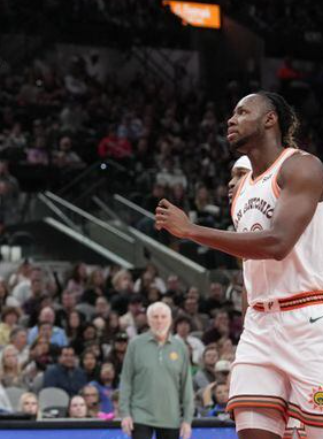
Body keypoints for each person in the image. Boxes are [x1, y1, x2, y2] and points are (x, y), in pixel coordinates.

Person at [156, 92, 323, 439]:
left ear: (270, 118)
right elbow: (250, 264)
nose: (231, 120)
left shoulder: (302, 166)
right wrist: (248, 323)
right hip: (260, 326)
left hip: (308, 319)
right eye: (231, 113)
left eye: (242, 112)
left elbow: (277, 244)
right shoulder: (242, 189)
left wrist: (191, 230)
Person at [118, 302, 193, 439]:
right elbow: (126, 381)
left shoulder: (180, 347)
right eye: (155, 317)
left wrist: (187, 420)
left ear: (170, 320)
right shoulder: (135, 344)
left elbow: (186, 386)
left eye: (163, 317)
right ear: (148, 320)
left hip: (171, 417)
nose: (159, 321)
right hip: (140, 415)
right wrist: (125, 414)